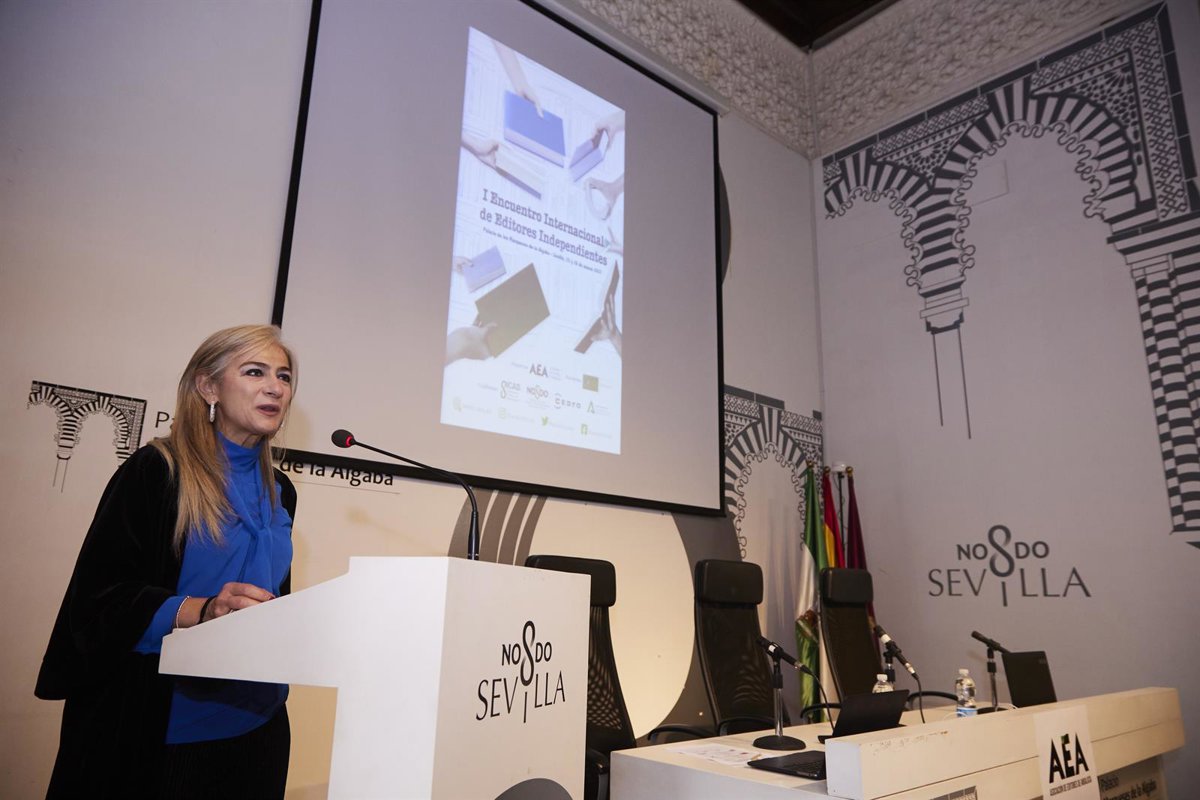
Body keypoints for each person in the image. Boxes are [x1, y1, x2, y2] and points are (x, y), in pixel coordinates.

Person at [35, 324, 299, 799]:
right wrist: (203, 610)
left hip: (259, 727)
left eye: (283, 376)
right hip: (161, 730)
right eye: (255, 372)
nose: (275, 388)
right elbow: (98, 602)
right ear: (208, 387)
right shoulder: (157, 471)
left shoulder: (282, 490)